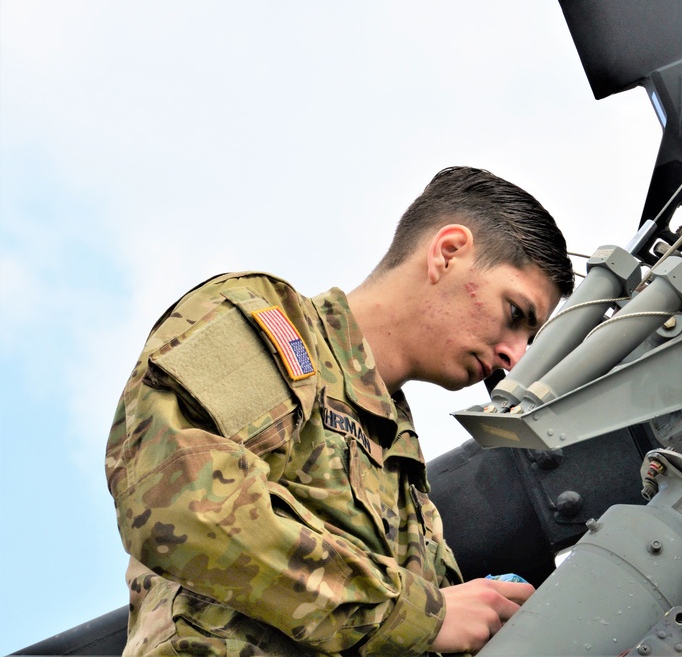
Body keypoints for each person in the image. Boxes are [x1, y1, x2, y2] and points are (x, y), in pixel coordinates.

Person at [104, 166, 575, 655]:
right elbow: (177, 503)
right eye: (515, 314)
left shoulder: (407, 481)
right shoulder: (276, 327)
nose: (515, 357)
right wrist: (417, 614)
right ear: (448, 252)